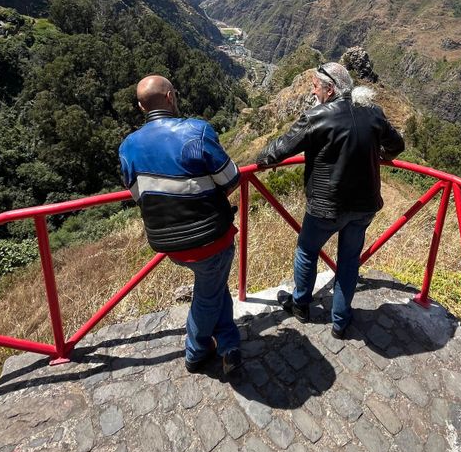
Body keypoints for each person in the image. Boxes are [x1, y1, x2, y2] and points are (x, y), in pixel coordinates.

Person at [256, 62, 404, 338]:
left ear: (330, 88)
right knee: (349, 260)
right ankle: (340, 320)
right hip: (364, 205)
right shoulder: (373, 113)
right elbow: (397, 145)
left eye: (315, 87)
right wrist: (381, 154)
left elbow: (278, 150)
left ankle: (300, 304)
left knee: (306, 251)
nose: (312, 92)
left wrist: (262, 160)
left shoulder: (316, 117)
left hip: (326, 207)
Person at [119, 74, 242, 375]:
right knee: (207, 293)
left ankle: (228, 343)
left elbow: (138, 195)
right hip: (209, 237)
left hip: (167, 243)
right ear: (171, 97)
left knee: (212, 286)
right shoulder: (196, 131)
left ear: (140, 107)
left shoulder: (128, 147)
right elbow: (231, 178)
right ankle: (196, 351)